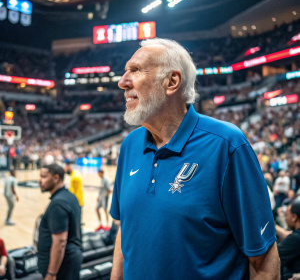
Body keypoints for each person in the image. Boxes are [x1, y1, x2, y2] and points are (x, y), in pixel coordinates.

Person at [110, 38, 280, 279]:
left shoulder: (227, 144)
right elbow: (125, 229)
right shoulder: (129, 145)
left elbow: (263, 258)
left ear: (172, 81)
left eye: (135, 70)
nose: (122, 82)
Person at [38, 163, 82, 280]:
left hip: (61, 268)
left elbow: (60, 242)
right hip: (69, 263)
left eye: (43, 177)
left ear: (56, 178)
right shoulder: (70, 197)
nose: (39, 180)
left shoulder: (58, 203)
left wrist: (51, 274)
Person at [276, 202, 300, 280]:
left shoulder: (295, 238)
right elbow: (286, 234)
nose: (285, 219)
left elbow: (275, 256)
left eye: (286, 215)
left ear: (294, 217)